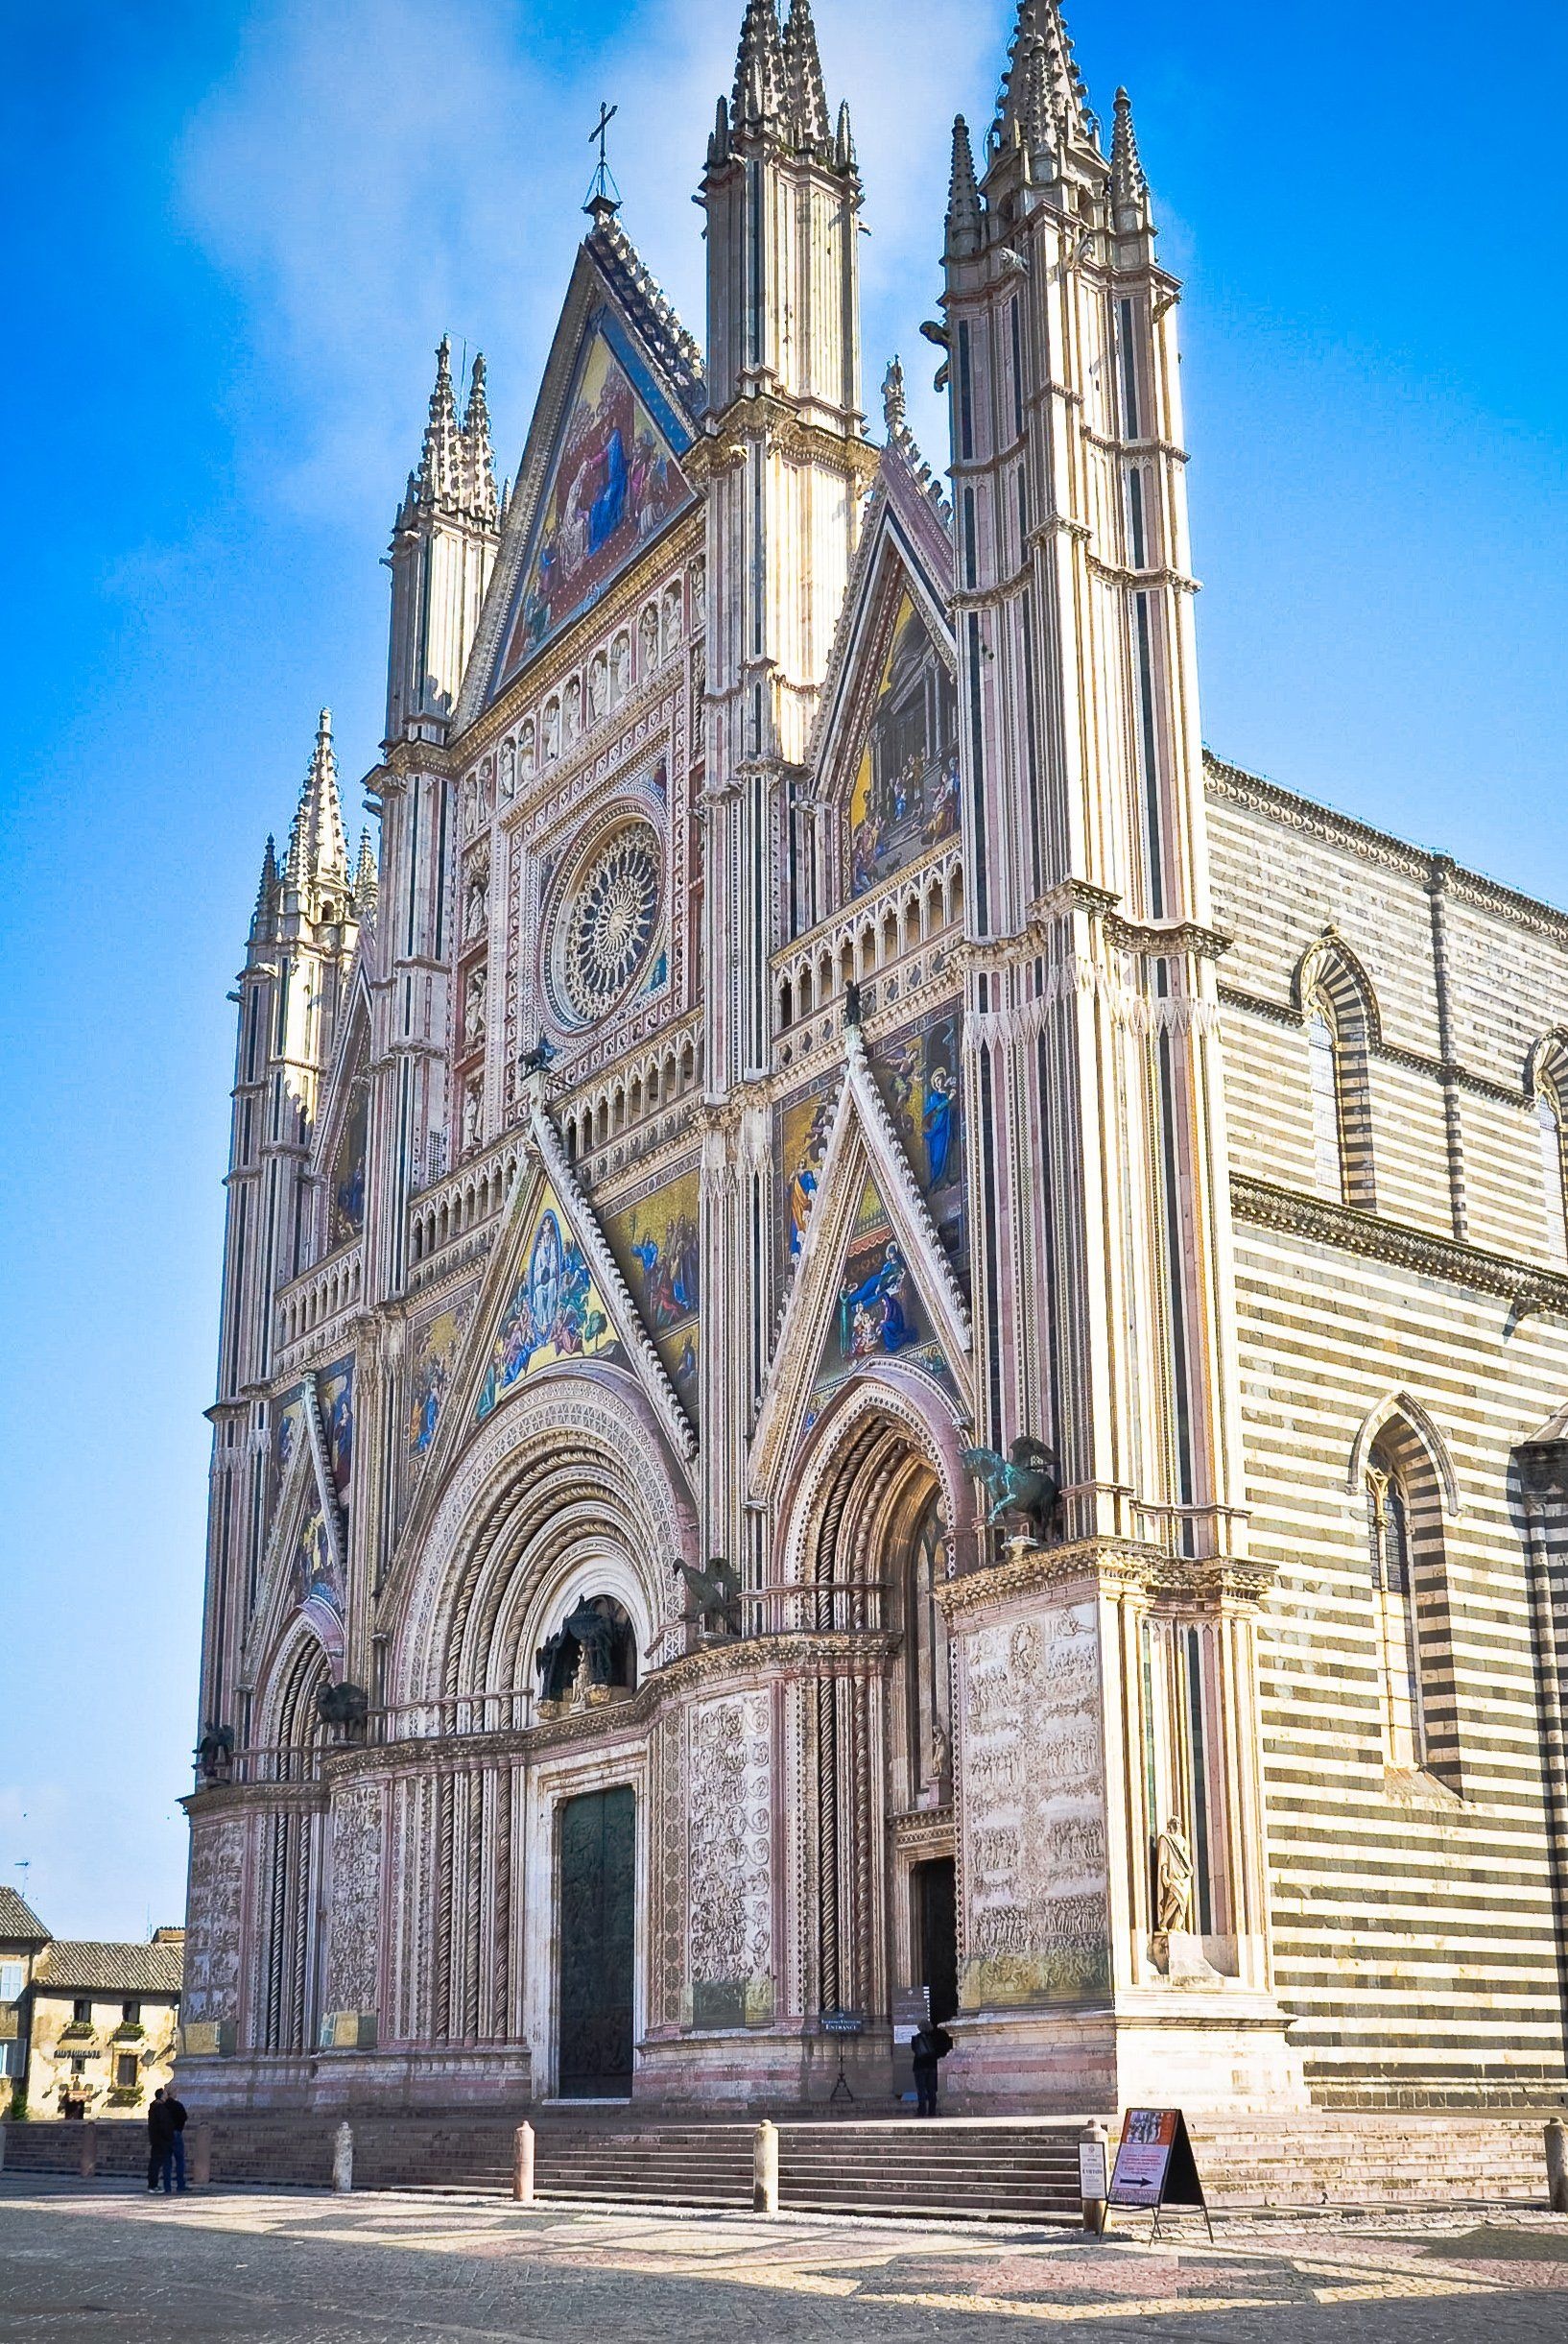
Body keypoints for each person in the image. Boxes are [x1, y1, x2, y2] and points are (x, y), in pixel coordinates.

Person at [910, 2019, 954, 2117]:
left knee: (921, 2089)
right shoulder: (934, 2039)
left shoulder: (915, 2039)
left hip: (919, 2066)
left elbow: (914, 2050)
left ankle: (921, 2111)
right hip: (931, 2066)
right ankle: (932, 2111)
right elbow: (939, 2051)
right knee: (931, 2089)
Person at [159, 2087, 189, 2193]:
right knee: (179, 2160)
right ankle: (180, 2184)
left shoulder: (162, 2106)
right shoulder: (178, 2105)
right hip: (176, 2133)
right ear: (174, 2093)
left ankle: (167, 2186)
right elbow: (184, 2117)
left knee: (167, 2162)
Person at [146, 2088, 172, 2191]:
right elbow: (163, 2124)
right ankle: (153, 2185)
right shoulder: (160, 2108)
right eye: (165, 2094)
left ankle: (152, 2184)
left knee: (154, 2162)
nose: (167, 2096)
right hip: (160, 2139)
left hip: (156, 2139)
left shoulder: (154, 2107)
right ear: (161, 2096)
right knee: (156, 2163)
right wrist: (168, 2136)